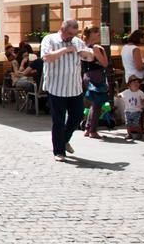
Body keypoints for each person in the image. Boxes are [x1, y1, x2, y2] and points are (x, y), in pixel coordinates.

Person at [41, 19, 91, 161]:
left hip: (74, 87)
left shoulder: (77, 41)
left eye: (74, 34)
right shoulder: (49, 39)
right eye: (69, 34)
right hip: (56, 87)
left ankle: (64, 140)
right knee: (58, 120)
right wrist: (65, 50)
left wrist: (87, 54)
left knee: (77, 116)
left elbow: (89, 57)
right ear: (62, 29)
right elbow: (46, 57)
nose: (71, 37)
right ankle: (59, 151)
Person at [80, 26, 110, 138]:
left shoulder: (83, 46)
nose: (99, 33)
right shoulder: (95, 48)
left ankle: (88, 128)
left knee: (94, 103)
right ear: (90, 34)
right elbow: (105, 63)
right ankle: (92, 130)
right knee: (97, 103)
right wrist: (103, 51)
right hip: (96, 75)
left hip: (87, 75)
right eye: (96, 32)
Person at [121, 29, 144, 114]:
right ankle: (139, 119)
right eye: (143, 38)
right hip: (138, 79)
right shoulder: (135, 49)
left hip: (129, 77)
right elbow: (139, 67)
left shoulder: (125, 47)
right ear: (138, 38)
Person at [118, 76, 144, 140]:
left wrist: (143, 105)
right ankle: (129, 134)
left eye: (138, 82)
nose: (136, 84)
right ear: (129, 84)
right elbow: (120, 95)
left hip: (137, 111)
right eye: (134, 82)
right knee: (127, 123)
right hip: (128, 111)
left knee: (136, 124)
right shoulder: (126, 92)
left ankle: (139, 133)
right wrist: (118, 95)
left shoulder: (140, 92)